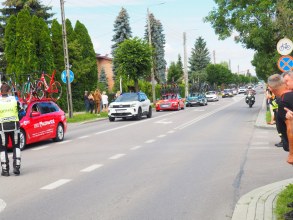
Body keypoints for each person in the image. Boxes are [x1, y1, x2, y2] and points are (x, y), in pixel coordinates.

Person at [267, 74, 293, 164]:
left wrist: (291, 154)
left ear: (270, 88)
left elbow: (291, 128)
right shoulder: (289, 96)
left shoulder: (283, 101)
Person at [0, 83, 21, 176]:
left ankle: (5, 170)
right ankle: (16, 167)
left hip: (2, 127)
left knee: (3, 147)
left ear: (1, 92)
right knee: (16, 146)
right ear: (9, 91)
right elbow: (22, 111)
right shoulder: (14, 99)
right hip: (15, 125)